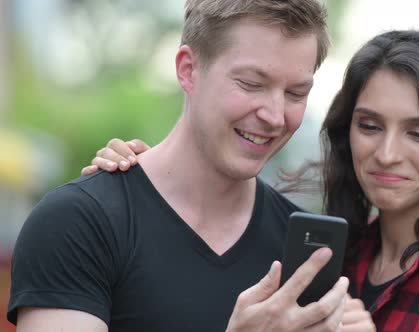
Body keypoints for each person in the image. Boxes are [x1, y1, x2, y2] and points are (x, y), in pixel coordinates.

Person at [90, 29, 419, 331]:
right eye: (370, 125)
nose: (386, 153)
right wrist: (150, 184)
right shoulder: (331, 258)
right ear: (346, 133)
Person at [8, 1, 376, 331]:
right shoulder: (78, 223)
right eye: (251, 84)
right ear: (188, 69)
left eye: (296, 93)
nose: (275, 116)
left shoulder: (304, 251)